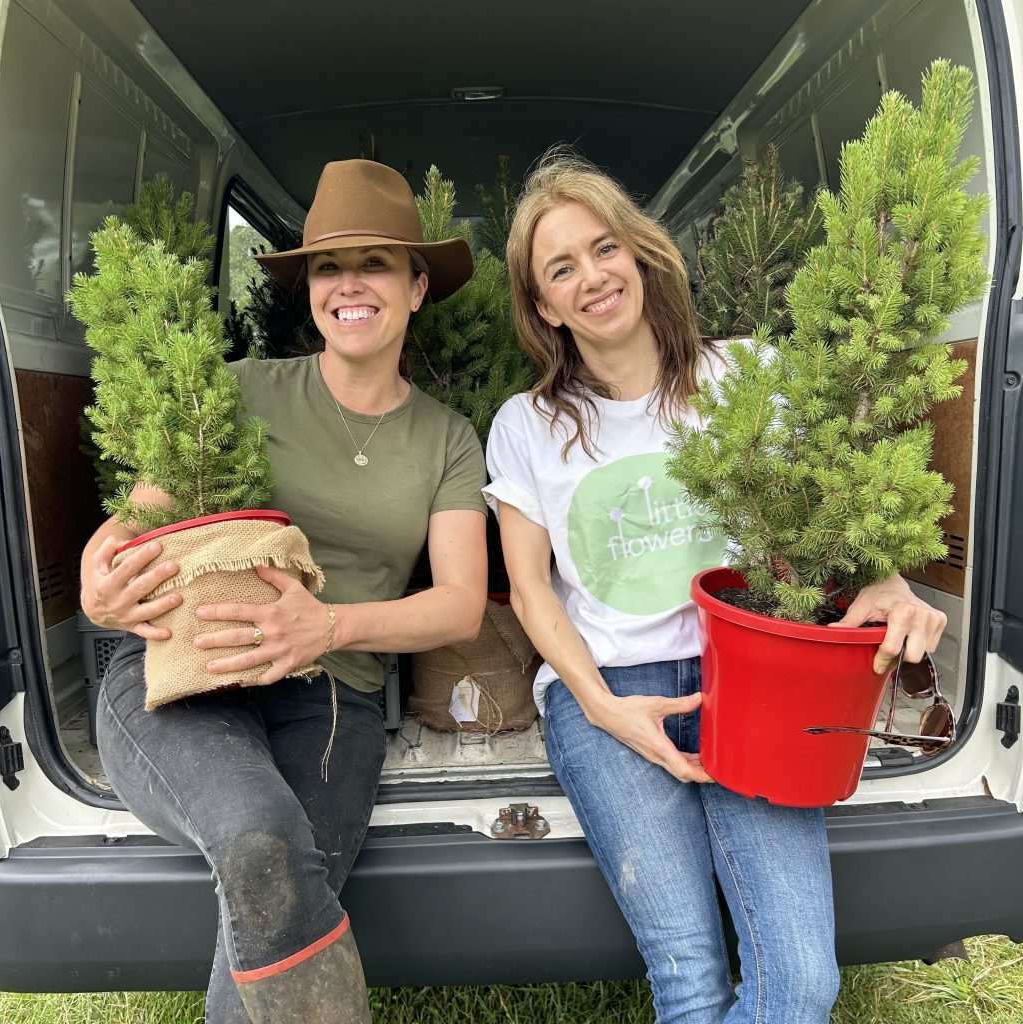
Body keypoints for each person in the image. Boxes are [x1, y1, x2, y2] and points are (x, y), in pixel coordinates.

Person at [483, 154, 948, 1024]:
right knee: (689, 980)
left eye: (604, 247)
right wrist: (603, 707)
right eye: (561, 268)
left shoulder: (750, 377)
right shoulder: (528, 426)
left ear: (641, 255)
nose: (593, 276)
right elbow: (534, 593)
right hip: (609, 692)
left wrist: (885, 577)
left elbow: (833, 507)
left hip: (756, 681)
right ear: (544, 306)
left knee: (802, 985)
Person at [80, 160, 488, 1024]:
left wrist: (327, 624)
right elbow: (130, 526)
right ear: (309, 290)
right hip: (187, 669)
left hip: (333, 693)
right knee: (258, 834)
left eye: (375, 264)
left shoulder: (447, 439)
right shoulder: (240, 387)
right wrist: (96, 581)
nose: (349, 285)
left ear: (417, 287)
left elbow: (459, 601)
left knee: (278, 868)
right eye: (329, 267)